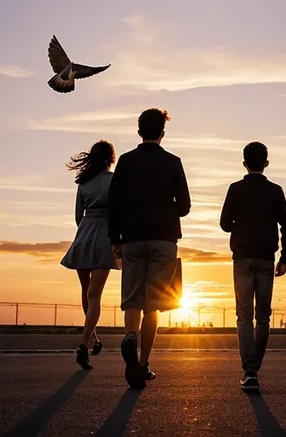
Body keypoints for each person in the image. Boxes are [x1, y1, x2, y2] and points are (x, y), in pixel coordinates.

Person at [107, 108, 191, 389]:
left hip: (131, 236)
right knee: (153, 304)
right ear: (162, 134)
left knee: (132, 298)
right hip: (163, 238)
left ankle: (130, 336)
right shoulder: (173, 162)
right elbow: (185, 207)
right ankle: (143, 363)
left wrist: (114, 239)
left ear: (139, 131)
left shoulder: (127, 162)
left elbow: (114, 203)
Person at [220, 141, 286, 393]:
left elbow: (224, 224)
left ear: (244, 163)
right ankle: (254, 369)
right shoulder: (275, 191)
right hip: (265, 258)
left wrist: (239, 224)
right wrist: (285, 258)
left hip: (241, 257)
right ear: (266, 163)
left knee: (243, 316)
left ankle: (249, 370)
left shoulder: (235, 189)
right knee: (263, 317)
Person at [61, 140, 120, 370]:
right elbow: (118, 211)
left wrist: (86, 229)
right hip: (104, 236)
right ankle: (84, 343)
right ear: (110, 158)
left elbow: (78, 216)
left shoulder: (82, 182)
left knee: (86, 292)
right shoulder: (114, 180)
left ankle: (93, 338)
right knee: (95, 295)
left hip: (84, 235)